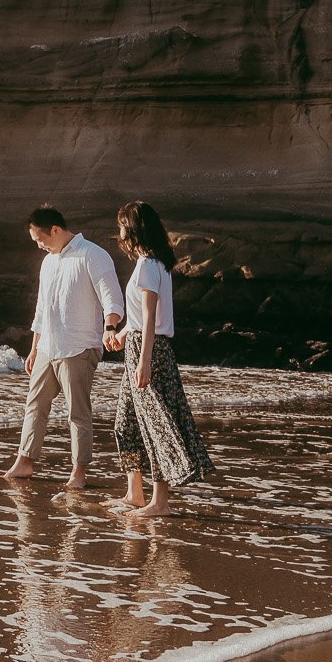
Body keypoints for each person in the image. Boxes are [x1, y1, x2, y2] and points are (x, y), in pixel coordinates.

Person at [4, 206, 124, 489]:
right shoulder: (48, 262)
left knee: (77, 412)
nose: (39, 245)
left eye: (39, 239)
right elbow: (42, 310)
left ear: (55, 230)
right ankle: (25, 461)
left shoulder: (93, 255)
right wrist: (34, 349)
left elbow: (112, 299)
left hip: (80, 347)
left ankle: (78, 472)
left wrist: (109, 329)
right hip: (48, 346)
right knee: (34, 405)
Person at [108, 201, 213, 516]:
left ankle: (160, 503)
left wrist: (144, 360)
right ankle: (134, 494)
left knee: (156, 425)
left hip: (149, 350)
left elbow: (151, 318)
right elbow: (141, 319)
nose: (120, 233)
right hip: (140, 345)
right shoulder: (152, 263)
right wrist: (122, 335)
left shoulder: (148, 265)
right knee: (126, 424)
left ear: (134, 228)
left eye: (122, 226)